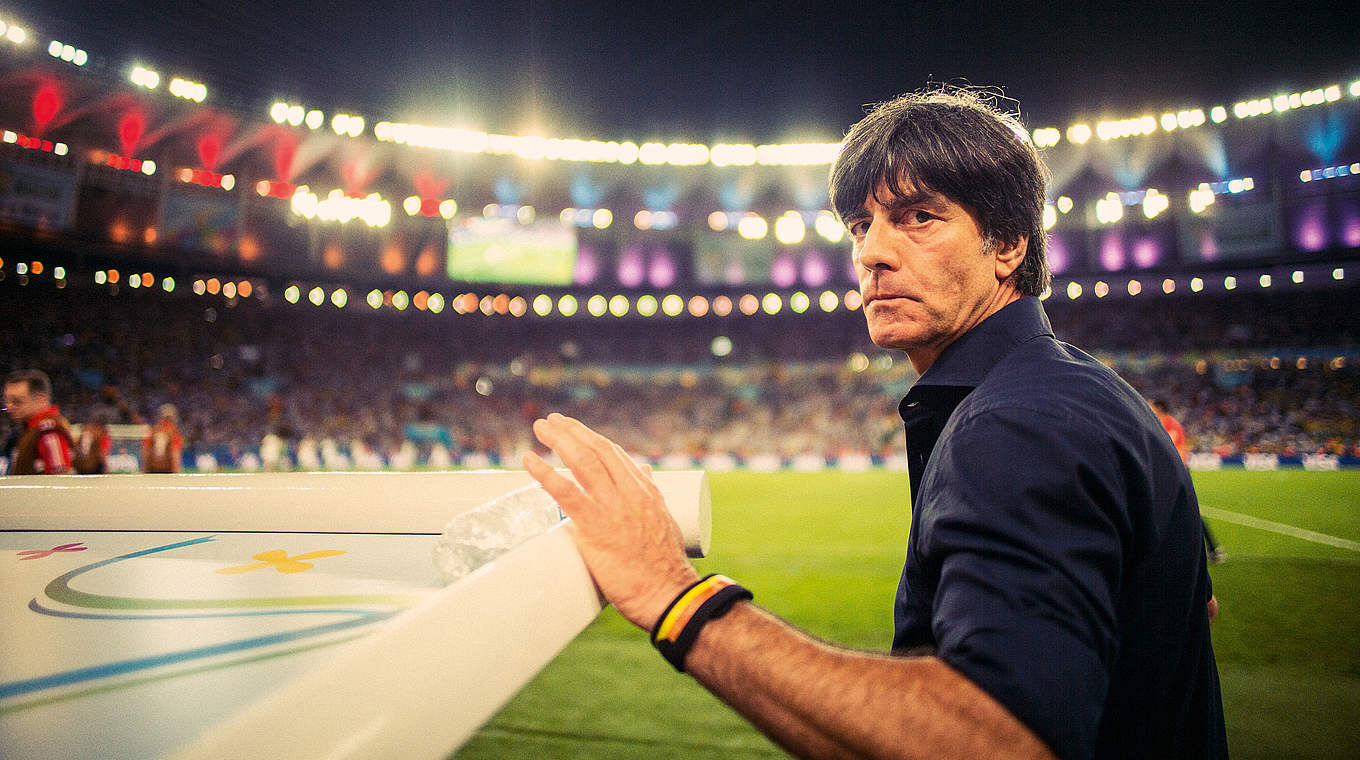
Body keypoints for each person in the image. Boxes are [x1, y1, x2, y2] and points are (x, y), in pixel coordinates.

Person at [522, 87, 1227, 760]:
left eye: (921, 217)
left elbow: (1000, 738)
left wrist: (673, 597)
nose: (871, 252)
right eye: (862, 225)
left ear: (1008, 244)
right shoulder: (1078, 391)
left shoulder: (1018, 422)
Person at [1151, 399, 1227, 564]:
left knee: (1186, 511)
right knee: (1173, 510)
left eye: (1151, 406)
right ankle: (1208, 549)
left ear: (1159, 409)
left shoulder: (1170, 425)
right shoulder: (1161, 423)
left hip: (1177, 472)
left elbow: (1168, 449)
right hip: (1169, 472)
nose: (1148, 408)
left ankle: (1212, 548)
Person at [4, 369, 75, 475]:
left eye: (17, 401)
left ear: (41, 399)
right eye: (6, 401)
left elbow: (61, 479)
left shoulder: (49, 431)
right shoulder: (30, 430)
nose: (9, 407)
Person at [142, 403, 184, 473]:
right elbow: (175, 455)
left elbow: (146, 452)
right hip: (168, 470)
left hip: (152, 469)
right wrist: (176, 472)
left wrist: (144, 470)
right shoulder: (174, 433)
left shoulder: (152, 431)